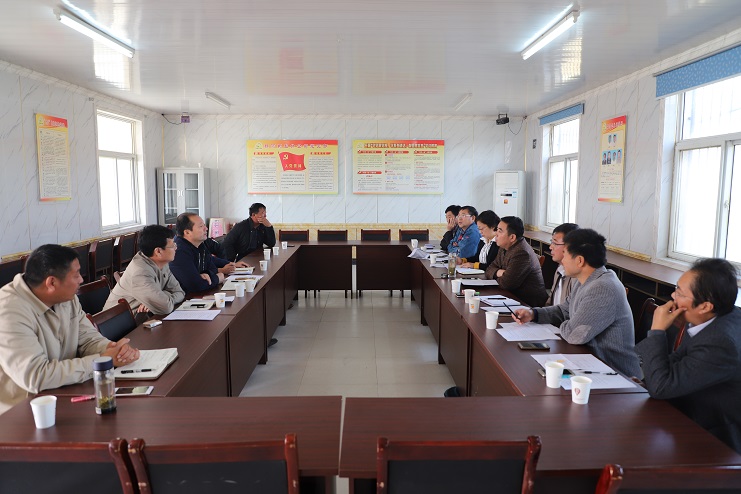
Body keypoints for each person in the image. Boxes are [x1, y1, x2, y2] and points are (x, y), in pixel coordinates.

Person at [0, 245, 139, 414]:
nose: (81, 280)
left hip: (63, 393)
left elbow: (88, 339)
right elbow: (36, 376)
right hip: (23, 412)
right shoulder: (9, 311)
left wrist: (114, 350)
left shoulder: (66, 297)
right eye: (76, 275)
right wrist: (101, 360)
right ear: (52, 282)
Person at [636, 258, 741, 453]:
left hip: (714, 440)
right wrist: (648, 378)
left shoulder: (720, 342)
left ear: (705, 306)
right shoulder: (714, 316)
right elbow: (678, 362)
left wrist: (657, 330)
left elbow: (661, 388)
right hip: (686, 412)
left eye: (679, 293)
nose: (672, 296)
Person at [514, 229, 641, 377]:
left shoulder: (602, 287)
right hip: (589, 362)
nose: (563, 260)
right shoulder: (585, 280)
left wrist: (570, 323)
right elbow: (564, 311)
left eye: (565, 254)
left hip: (615, 374)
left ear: (580, 261)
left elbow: (574, 334)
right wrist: (533, 314)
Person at [103, 224, 185, 316]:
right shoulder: (140, 273)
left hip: (142, 318)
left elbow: (180, 292)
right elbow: (165, 307)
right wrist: (162, 300)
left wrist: (163, 297)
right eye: (172, 245)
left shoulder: (162, 262)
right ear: (158, 251)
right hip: (119, 322)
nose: (176, 248)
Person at [485, 216, 547, 307]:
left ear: (512, 237)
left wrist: (497, 274)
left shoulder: (522, 253)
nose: (496, 234)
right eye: (497, 230)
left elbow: (506, 284)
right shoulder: (504, 246)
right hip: (509, 297)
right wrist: (500, 272)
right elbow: (489, 269)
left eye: (500, 231)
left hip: (527, 304)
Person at [169, 213, 224, 293]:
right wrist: (218, 278)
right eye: (201, 226)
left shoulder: (200, 245)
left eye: (204, 225)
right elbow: (195, 285)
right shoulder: (178, 251)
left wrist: (206, 274)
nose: (206, 228)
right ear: (187, 232)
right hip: (182, 298)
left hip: (199, 295)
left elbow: (213, 269)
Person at [545, 223, 579, 306]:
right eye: (551, 242)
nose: (550, 247)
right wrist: (534, 312)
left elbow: (568, 311)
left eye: (555, 243)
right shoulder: (560, 268)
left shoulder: (577, 278)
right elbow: (550, 303)